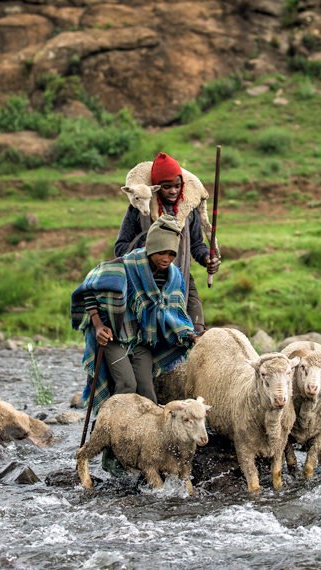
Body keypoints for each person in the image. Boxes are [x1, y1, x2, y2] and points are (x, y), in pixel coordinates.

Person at [71, 215, 197, 414]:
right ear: (151, 249)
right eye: (161, 253)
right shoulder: (122, 267)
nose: (166, 259)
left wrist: (189, 334)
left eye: (171, 254)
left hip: (141, 341)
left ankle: (147, 436)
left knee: (147, 391)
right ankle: (110, 428)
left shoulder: (172, 277)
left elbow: (173, 313)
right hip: (114, 338)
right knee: (127, 384)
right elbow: (89, 292)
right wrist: (98, 326)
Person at [114, 152, 220, 335]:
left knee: (198, 331)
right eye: (167, 186)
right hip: (145, 285)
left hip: (182, 280)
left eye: (177, 186)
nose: (173, 191)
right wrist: (147, 250)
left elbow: (196, 245)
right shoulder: (139, 209)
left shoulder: (189, 211)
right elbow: (120, 247)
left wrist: (207, 259)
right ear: (155, 188)